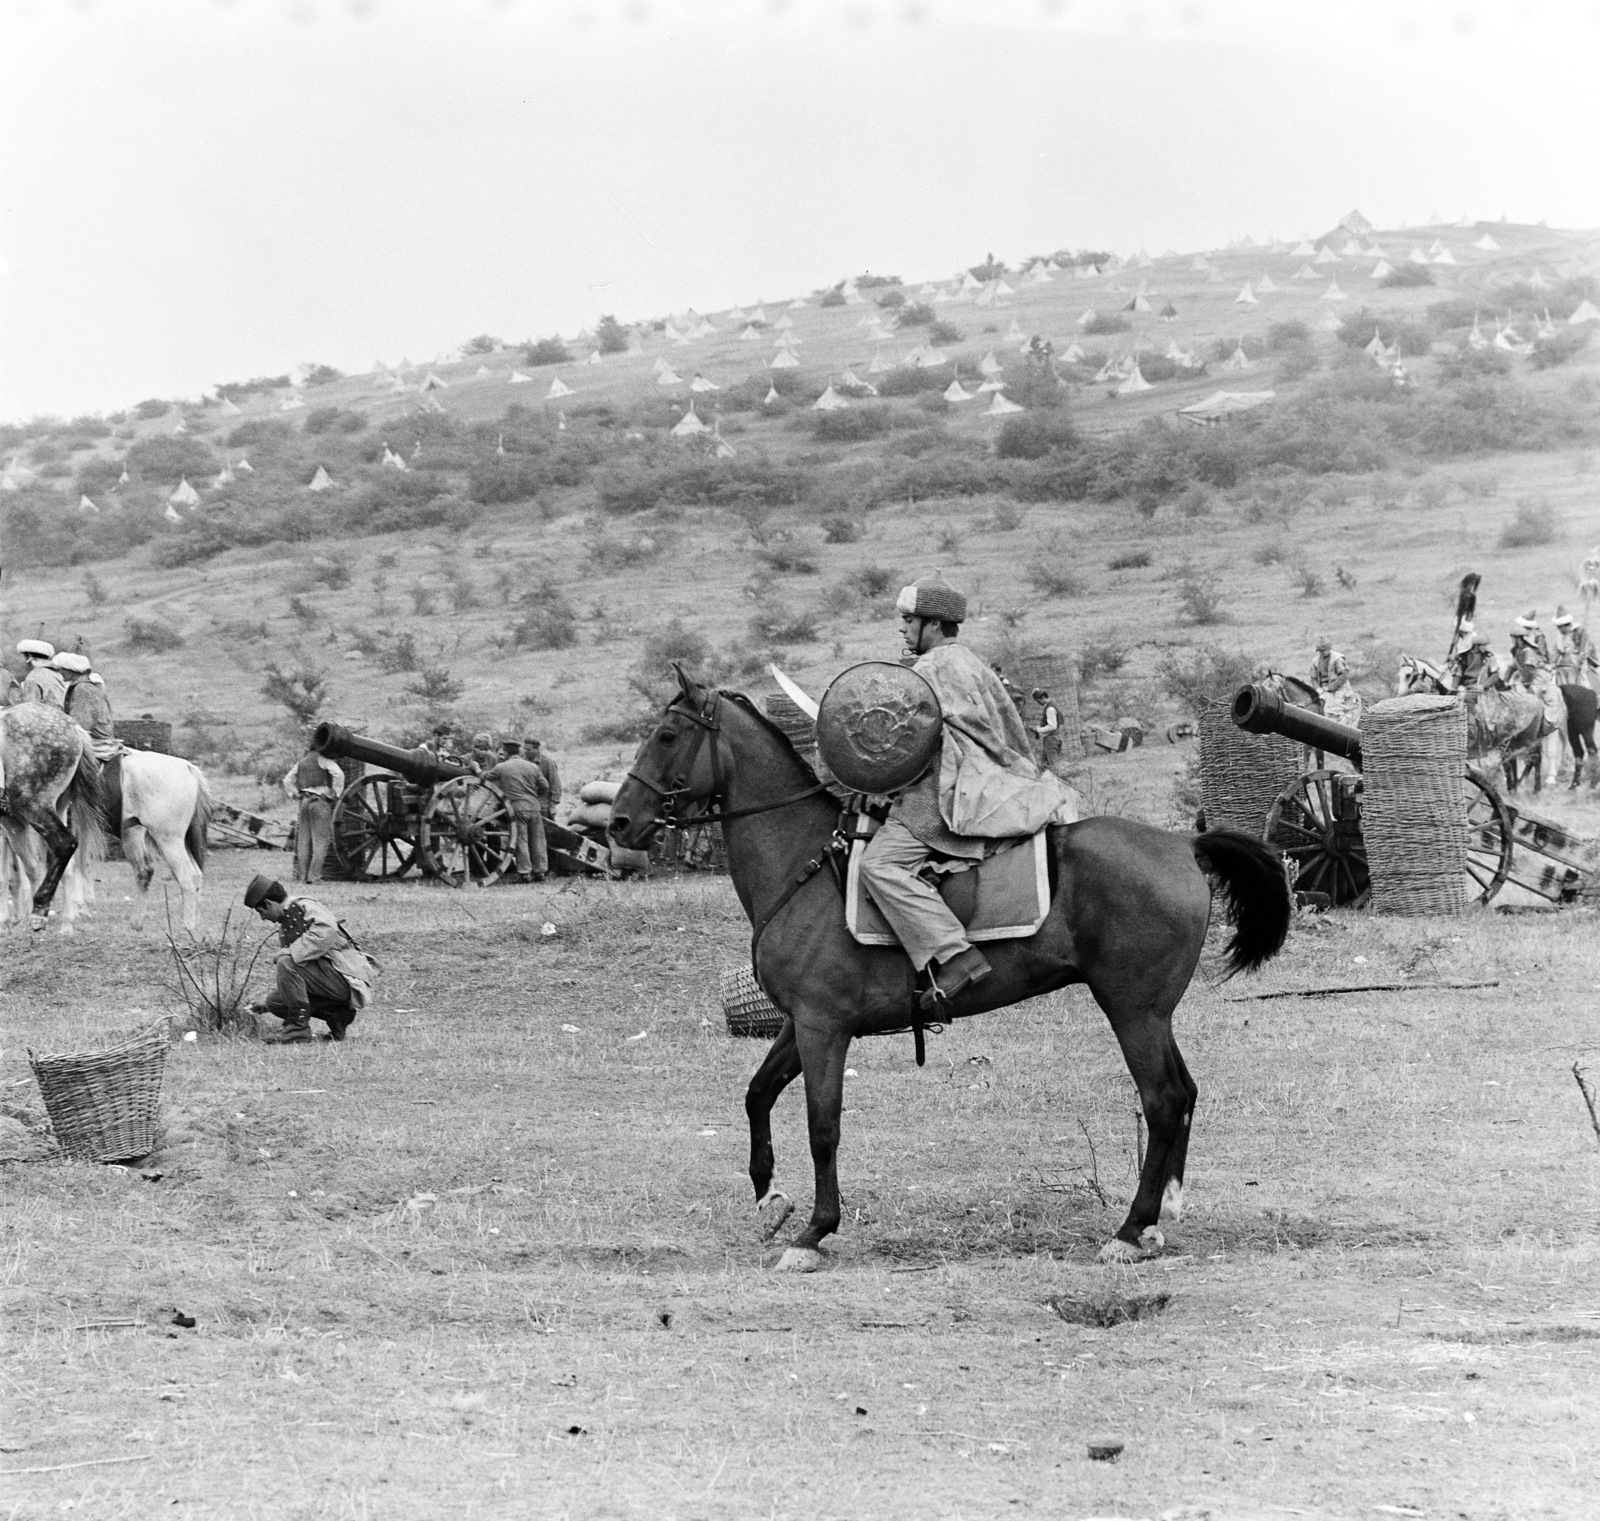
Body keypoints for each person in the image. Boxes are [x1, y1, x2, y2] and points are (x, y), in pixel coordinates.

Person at [857, 573, 1079, 1012]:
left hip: (947, 791)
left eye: (909, 620)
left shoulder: (929, 670)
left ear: (933, 624)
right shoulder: (972, 663)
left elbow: (909, 744)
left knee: (880, 865)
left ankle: (953, 957)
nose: (902, 628)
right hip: (988, 779)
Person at [244, 874, 374, 1044]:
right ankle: (337, 1014)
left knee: (286, 961)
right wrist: (266, 1003)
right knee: (274, 1002)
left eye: (262, 912)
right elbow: (297, 974)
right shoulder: (288, 917)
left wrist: (290, 953)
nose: (263, 918)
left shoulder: (304, 906)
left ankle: (297, 1029)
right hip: (330, 979)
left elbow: (327, 930)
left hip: (346, 978)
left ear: (269, 903)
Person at [487, 737, 549, 882]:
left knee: (521, 840)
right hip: (534, 807)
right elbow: (545, 786)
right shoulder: (533, 767)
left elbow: (486, 777)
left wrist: (476, 768)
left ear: (506, 753)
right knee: (538, 840)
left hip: (516, 808)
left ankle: (525, 873)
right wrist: (535, 796)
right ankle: (540, 871)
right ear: (519, 752)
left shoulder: (502, 767)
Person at [281, 745, 345, 885]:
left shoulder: (302, 762)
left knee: (303, 841)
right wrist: (335, 793)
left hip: (304, 802)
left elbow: (287, 780)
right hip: (320, 802)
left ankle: (302, 877)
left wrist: (294, 794)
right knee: (320, 841)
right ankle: (315, 876)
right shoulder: (324, 760)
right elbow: (339, 774)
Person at [56, 652, 117, 758]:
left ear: (73, 670)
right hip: (95, 740)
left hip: (96, 744)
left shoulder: (83, 689)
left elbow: (81, 725)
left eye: (63, 668)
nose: (60, 672)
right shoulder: (84, 686)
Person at [1309, 635, 1362, 728]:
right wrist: (1317, 689)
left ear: (1329, 648)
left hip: (1339, 688)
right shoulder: (1315, 661)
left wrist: (1330, 688)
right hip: (1322, 689)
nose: (1324, 652)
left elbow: (1343, 676)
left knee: (1334, 711)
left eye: (1326, 649)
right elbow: (1313, 677)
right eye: (1322, 650)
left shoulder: (1337, 658)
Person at [17, 639, 66, 707]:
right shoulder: (58, 674)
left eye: (23, 656)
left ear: (29, 656)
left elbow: (30, 708)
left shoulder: (33, 677)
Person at [522, 736, 561, 818]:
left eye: (528, 749)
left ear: (536, 750)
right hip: (526, 802)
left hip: (543, 804)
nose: (525, 751)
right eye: (524, 749)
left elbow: (555, 785)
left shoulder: (548, 763)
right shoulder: (522, 761)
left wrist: (553, 805)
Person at [1031, 687, 1063, 772]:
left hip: (1051, 739)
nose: (1038, 703)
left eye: (1038, 701)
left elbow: (1052, 726)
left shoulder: (1050, 709)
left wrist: (1038, 730)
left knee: (1053, 765)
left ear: (1042, 698)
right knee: (1047, 764)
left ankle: (1056, 781)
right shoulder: (1051, 705)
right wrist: (1038, 727)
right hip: (1054, 737)